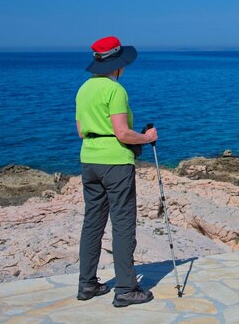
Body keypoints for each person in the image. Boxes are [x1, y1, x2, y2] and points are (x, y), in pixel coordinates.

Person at [75, 36, 157, 307]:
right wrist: (147, 138)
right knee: (122, 224)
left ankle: (87, 284)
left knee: (92, 222)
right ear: (117, 64)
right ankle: (125, 288)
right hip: (116, 162)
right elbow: (122, 133)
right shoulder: (115, 90)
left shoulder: (83, 89)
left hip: (89, 159)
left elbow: (80, 130)